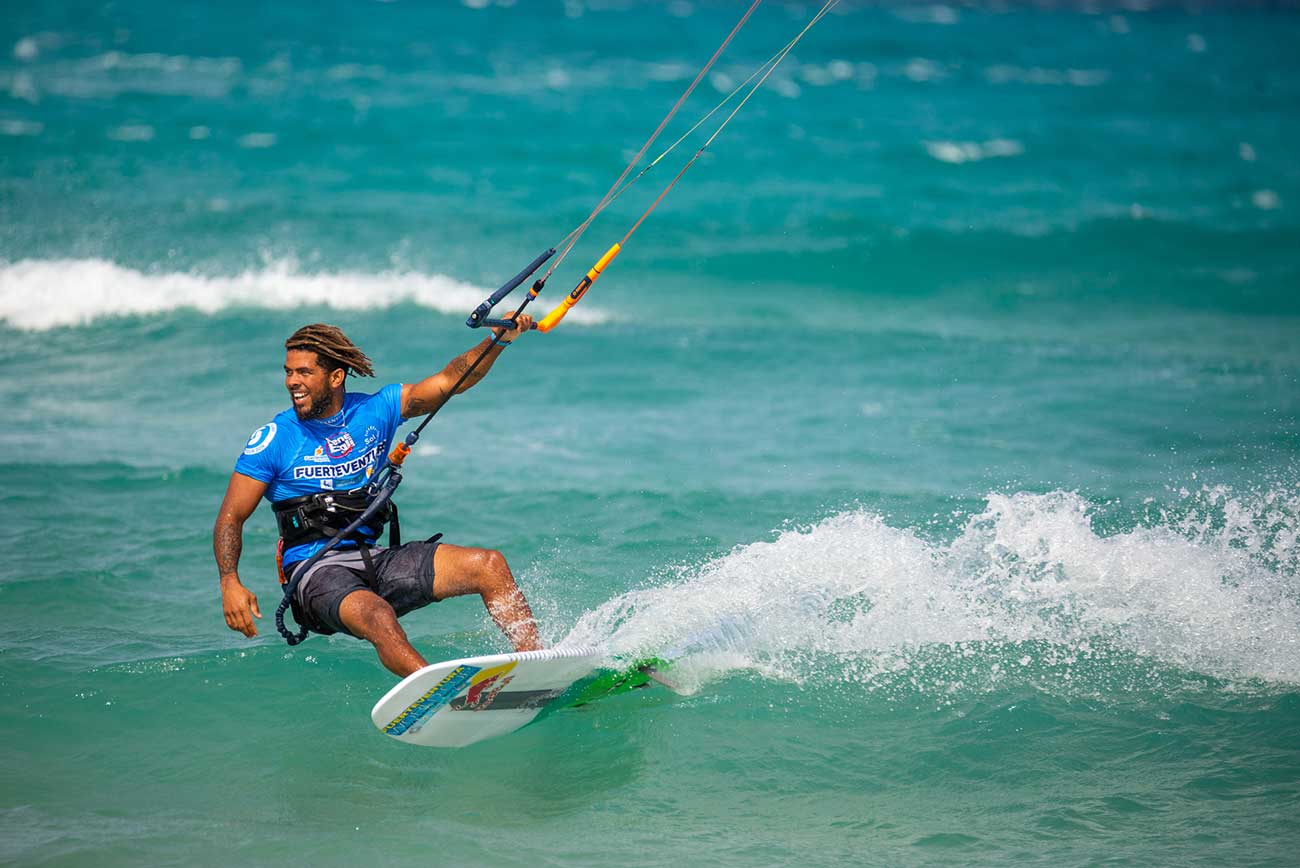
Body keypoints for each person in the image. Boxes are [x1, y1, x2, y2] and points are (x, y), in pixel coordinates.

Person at [214, 319, 542, 678]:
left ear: (336, 377)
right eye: (289, 372)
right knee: (376, 614)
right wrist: (229, 580)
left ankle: (538, 669)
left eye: (304, 372)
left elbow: (451, 380)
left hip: (375, 559)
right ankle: (440, 691)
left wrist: (498, 340)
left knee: (488, 565)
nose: (293, 381)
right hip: (315, 571)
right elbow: (231, 516)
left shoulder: (376, 410)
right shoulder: (275, 438)